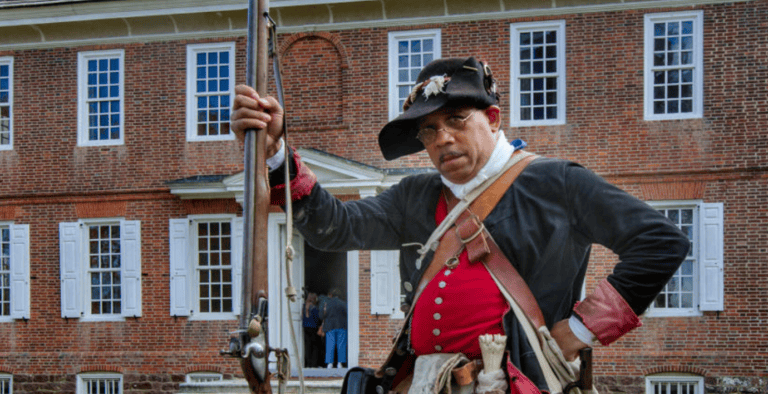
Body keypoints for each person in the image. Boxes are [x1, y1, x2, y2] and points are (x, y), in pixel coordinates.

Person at [231, 56, 690, 391]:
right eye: (428, 130)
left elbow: (661, 243)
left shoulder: (556, 182)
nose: (441, 139)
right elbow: (335, 227)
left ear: (492, 119)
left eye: (455, 120)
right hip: (428, 382)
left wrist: (580, 331)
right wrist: (275, 152)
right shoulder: (418, 195)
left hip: (519, 383)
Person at [319, 288, 348, 368]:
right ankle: (340, 363)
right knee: (341, 345)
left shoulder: (326, 304)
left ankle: (330, 363)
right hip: (342, 326)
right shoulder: (343, 303)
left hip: (330, 327)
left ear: (331, 295)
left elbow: (321, 316)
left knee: (330, 345)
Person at [302, 291, 323, 368]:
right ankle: (314, 364)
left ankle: (308, 364)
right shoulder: (314, 307)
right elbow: (318, 318)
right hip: (313, 328)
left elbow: (303, 317)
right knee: (315, 347)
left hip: (306, 328)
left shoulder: (304, 306)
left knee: (307, 346)